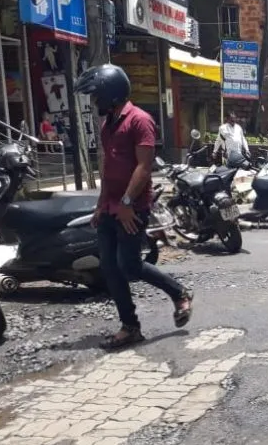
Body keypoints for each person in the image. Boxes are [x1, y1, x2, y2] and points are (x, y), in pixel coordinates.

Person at [74, 64, 193, 349]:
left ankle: (179, 293)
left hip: (133, 206)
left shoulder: (140, 120)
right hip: (111, 207)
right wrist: (102, 204)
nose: (95, 102)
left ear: (112, 95)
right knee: (110, 268)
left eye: (97, 96)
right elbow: (107, 165)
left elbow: (144, 166)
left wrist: (127, 203)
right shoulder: (108, 124)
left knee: (129, 266)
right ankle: (130, 327)